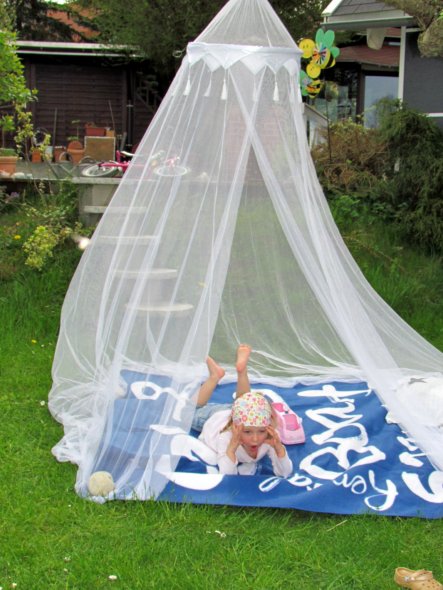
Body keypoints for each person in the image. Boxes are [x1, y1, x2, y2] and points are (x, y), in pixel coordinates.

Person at [191, 344, 293, 477]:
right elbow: (227, 475)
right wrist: (231, 449)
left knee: (243, 402)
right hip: (216, 418)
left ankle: (241, 371)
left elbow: (285, 473)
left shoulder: (270, 437)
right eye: (247, 432)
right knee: (190, 411)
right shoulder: (226, 437)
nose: (255, 439)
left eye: (261, 431)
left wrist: (279, 449)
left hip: (242, 414)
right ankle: (214, 376)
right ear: (235, 428)